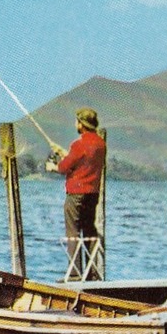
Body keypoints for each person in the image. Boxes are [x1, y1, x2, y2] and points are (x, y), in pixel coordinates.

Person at [48, 108, 106, 279]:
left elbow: (64, 167)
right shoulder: (101, 144)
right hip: (92, 194)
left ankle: (74, 274)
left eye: (76, 121)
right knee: (89, 230)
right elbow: (83, 161)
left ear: (81, 124)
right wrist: (62, 152)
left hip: (76, 194)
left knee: (72, 232)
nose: (75, 124)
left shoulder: (78, 144)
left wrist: (53, 167)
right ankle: (92, 272)